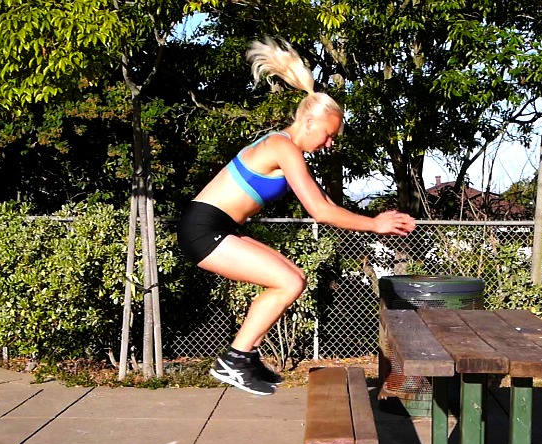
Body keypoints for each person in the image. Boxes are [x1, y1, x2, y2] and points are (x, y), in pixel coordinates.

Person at [178, 37, 417, 396]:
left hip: (218, 226)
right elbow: (320, 212)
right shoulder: (282, 147)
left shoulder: (287, 150)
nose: (330, 143)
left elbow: (327, 205)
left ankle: (245, 357)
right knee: (287, 283)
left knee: (294, 278)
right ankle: (236, 359)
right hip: (202, 227)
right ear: (307, 121)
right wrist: (375, 225)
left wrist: (374, 220)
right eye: (328, 135)